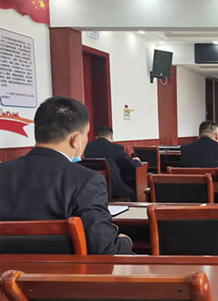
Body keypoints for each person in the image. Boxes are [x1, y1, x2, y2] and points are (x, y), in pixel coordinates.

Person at [0, 97, 132, 255]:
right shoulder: (86, 181)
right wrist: (125, 242)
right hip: (64, 270)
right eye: (86, 135)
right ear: (76, 139)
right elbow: (104, 250)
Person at [84, 125, 141, 200]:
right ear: (111, 136)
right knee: (135, 194)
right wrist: (137, 161)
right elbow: (132, 165)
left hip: (92, 188)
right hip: (113, 189)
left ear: (96, 137)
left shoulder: (87, 148)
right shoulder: (115, 148)